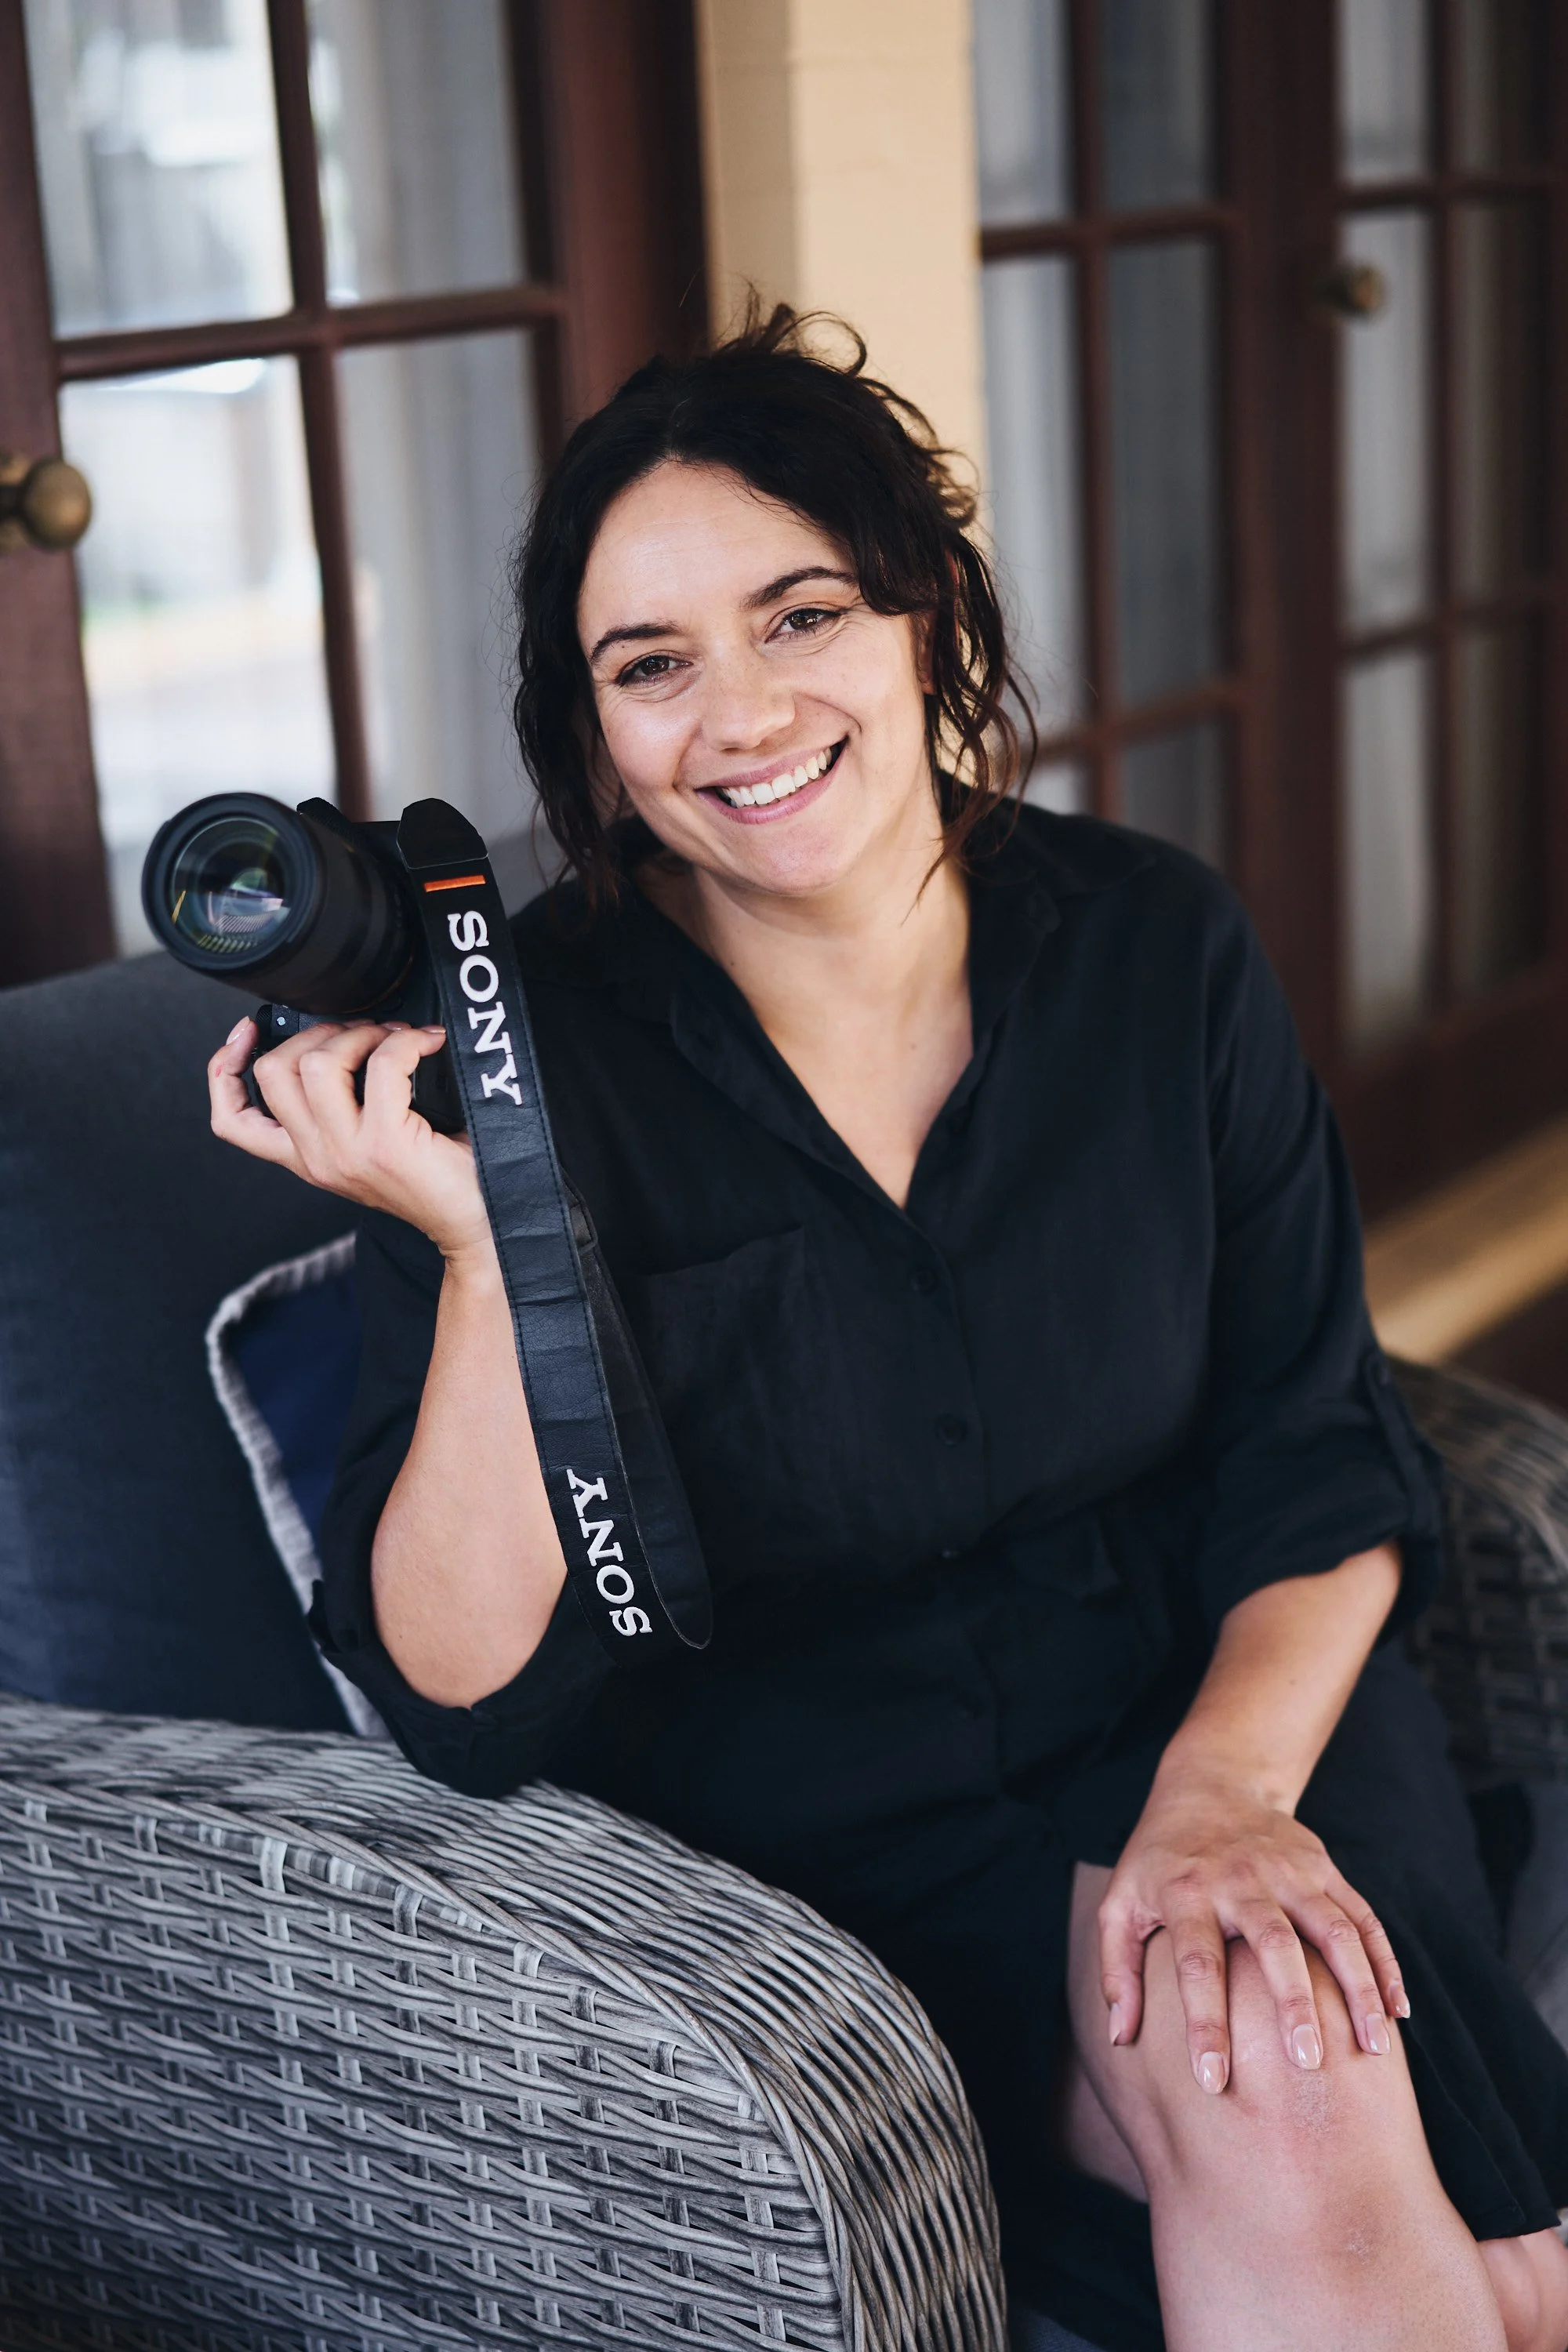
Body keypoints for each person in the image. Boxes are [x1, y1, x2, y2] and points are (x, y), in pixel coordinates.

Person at [208, 307, 1568, 2352]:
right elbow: (468, 1703)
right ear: (589, 731)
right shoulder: (520, 1046)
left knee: (1282, 2041)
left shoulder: (1156, 947)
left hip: (1227, 1701)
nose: (739, 713)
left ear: (927, 609)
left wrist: (1221, 1797)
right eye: (648, 666)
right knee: (1303, 2096)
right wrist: (498, 1256)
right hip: (860, 1821)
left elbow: (1316, 1440)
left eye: (802, 614)